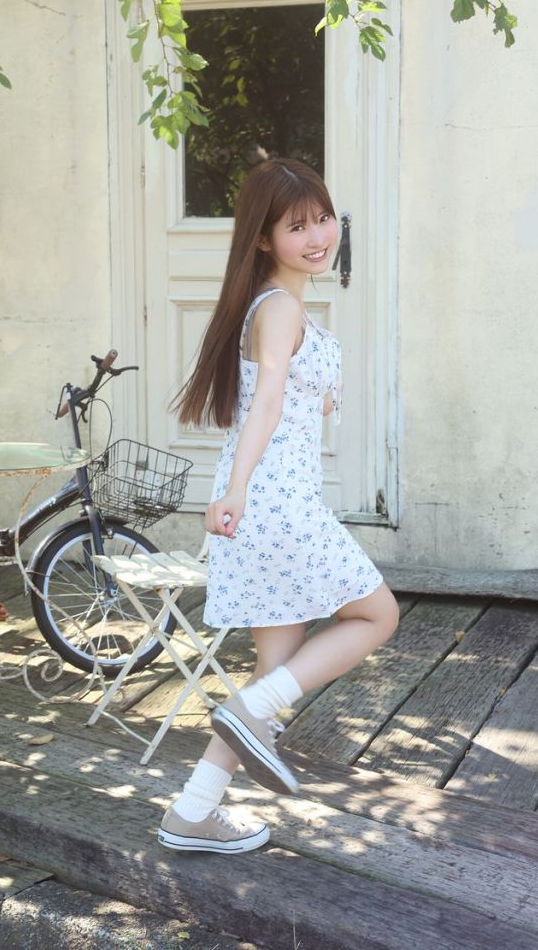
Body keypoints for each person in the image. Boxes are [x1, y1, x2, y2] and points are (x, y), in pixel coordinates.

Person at [158, 158, 400, 854]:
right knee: (377, 613)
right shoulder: (282, 306)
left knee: (273, 673)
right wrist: (237, 487)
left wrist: (317, 395)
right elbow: (265, 398)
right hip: (276, 502)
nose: (318, 235)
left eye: (322, 218)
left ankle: (192, 813)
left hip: (267, 498)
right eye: (297, 226)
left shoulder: (275, 304)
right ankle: (249, 713)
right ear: (263, 239)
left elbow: (283, 392)